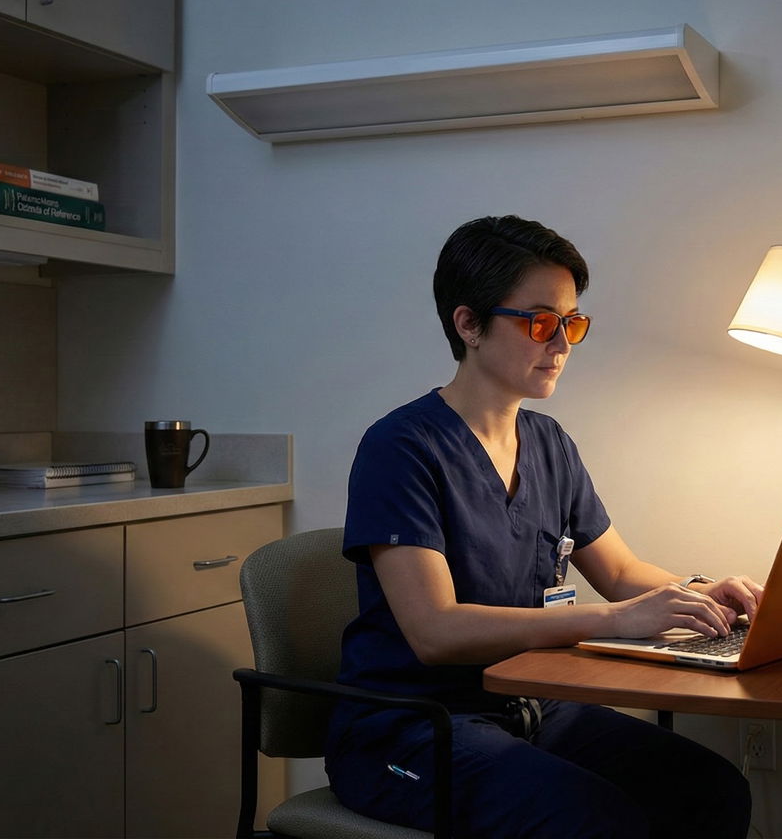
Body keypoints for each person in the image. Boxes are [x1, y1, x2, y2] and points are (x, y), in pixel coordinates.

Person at [325, 215, 760, 839]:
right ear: (468, 324)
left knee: (710, 791)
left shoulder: (549, 443)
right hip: (412, 729)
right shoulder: (402, 447)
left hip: (531, 707)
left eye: (571, 323)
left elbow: (619, 572)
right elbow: (436, 632)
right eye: (539, 322)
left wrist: (699, 595)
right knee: (595, 821)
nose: (560, 344)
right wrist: (614, 621)